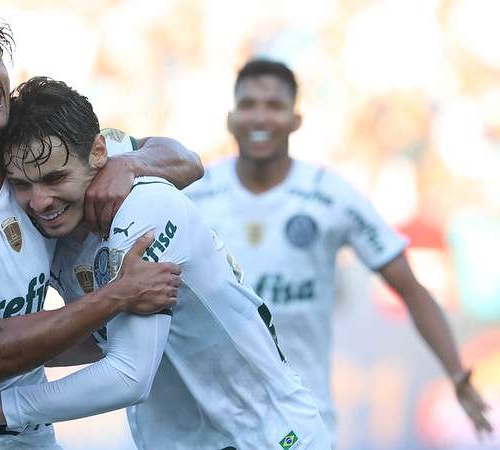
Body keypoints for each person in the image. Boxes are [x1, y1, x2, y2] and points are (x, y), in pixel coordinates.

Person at [0, 76, 332, 450]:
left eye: (55, 178)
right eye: (23, 185)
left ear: (100, 152)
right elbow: (99, 338)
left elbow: (129, 376)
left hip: (268, 436)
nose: (40, 201)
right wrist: (2, 352)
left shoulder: (146, 207)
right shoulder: (46, 227)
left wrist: (1, 407)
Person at [0, 9, 203, 450]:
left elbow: (186, 160)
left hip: (26, 434)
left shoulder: (34, 161)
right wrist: (121, 294)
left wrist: (131, 164)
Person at [183, 58, 493, 440]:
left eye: (274, 106)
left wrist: (457, 375)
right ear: (231, 118)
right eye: (248, 105)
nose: (260, 117)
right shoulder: (195, 197)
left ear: (296, 119)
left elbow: (410, 288)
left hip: (300, 421)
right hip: (213, 424)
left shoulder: (329, 196)